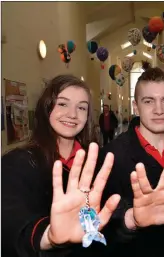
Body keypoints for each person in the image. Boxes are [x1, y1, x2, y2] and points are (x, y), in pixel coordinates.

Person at [1, 75, 120, 257]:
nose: (72, 114)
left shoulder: (97, 162)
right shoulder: (18, 163)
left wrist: (131, 219)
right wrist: (47, 236)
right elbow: (9, 222)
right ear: (47, 107)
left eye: (81, 107)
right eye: (63, 104)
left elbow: (111, 219)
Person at [99, 67, 164, 257]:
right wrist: (131, 220)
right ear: (136, 106)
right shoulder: (112, 156)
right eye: (149, 101)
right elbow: (103, 227)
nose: (159, 110)